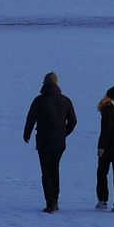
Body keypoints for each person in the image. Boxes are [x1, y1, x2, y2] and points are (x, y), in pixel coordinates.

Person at [22, 71, 78, 212]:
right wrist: (63, 133)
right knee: (55, 169)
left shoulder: (39, 100)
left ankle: (50, 202)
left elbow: (31, 118)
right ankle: (55, 200)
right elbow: (73, 121)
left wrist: (27, 134)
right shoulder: (65, 100)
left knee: (46, 171)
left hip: (44, 140)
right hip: (59, 141)